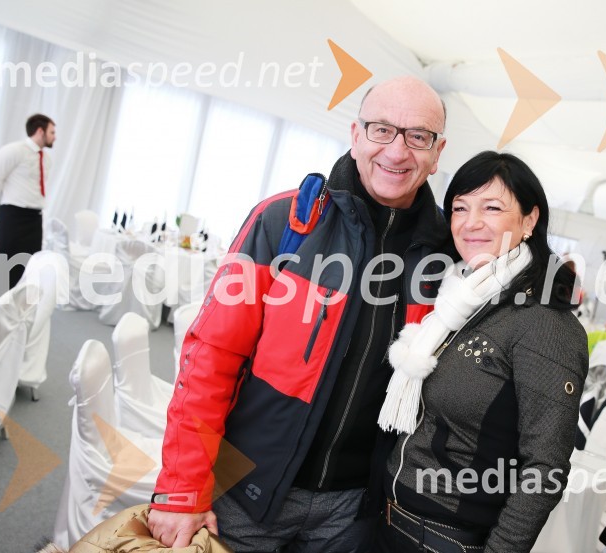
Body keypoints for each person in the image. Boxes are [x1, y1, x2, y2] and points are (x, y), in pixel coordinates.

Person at [148, 76, 449, 552]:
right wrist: (181, 491)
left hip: (352, 512)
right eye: (381, 130)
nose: (397, 151)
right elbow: (211, 358)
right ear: (355, 135)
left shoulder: (445, 257)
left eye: (418, 136)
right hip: (243, 492)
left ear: (437, 152)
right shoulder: (282, 221)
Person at [374, 151, 588, 552]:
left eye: (492, 207)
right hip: (387, 520)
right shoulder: (457, 298)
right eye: (460, 207)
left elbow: (545, 468)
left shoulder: (545, 323)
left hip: (446, 538)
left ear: (530, 220)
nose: (470, 222)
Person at [0, 114, 55, 306]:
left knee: (24, 266)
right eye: (52, 132)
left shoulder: (46, 159)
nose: (55, 136)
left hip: (33, 219)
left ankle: (0, 310)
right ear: (40, 131)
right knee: (1, 264)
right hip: (13, 215)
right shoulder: (14, 151)